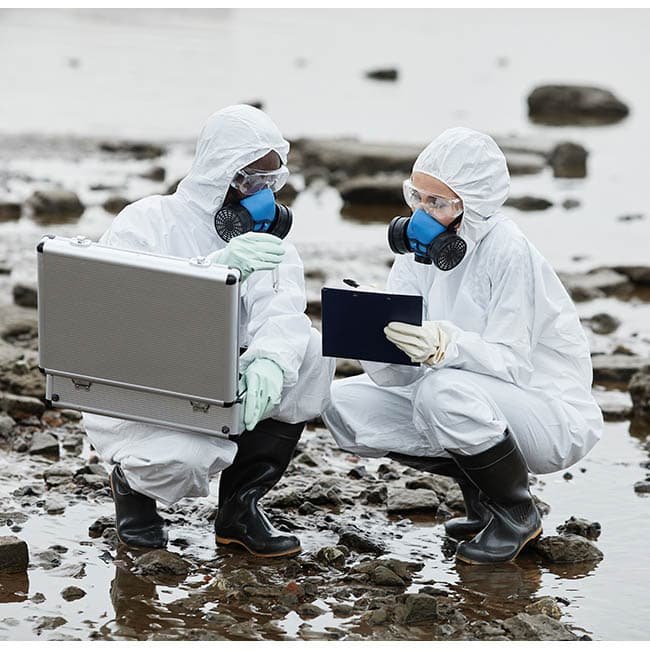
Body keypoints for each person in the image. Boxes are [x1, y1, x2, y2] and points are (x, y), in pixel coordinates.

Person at [323, 127, 603, 565]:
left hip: (546, 410)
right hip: (468, 398)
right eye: (416, 197)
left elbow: (512, 362)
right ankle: (483, 501)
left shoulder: (509, 251)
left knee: (444, 392)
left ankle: (516, 513)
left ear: (471, 206)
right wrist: (375, 341)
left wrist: (443, 344)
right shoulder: (416, 256)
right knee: (341, 402)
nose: (421, 213)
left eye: (436, 202)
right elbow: (403, 377)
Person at [83, 105, 335, 557]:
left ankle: (240, 510)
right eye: (251, 180)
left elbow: (282, 311)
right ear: (218, 171)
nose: (262, 195)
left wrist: (270, 361)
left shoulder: (267, 240)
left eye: (271, 183)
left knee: (312, 353)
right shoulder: (146, 221)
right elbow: (120, 315)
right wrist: (212, 270)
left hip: (222, 379)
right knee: (186, 461)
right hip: (149, 385)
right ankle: (132, 486)